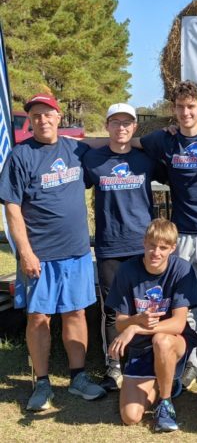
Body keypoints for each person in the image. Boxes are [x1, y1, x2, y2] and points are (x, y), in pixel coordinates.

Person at [0, 93, 106, 411]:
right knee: (38, 317)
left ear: (59, 117)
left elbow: (112, 144)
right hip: (39, 255)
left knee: (75, 312)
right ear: (30, 121)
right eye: (36, 116)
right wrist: (25, 253)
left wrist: (148, 140)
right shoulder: (21, 156)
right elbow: (13, 209)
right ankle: (42, 383)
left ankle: (78, 378)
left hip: (75, 252)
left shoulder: (76, 149)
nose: (43, 120)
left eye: (48, 114)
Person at [132, 80, 197, 387]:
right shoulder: (164, 140)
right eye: (180, 107)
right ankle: (189, 360)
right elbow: (128, 143)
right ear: (173, 111)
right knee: (184, 302)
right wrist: (79, 143)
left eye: (191, 106)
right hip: (182, 233)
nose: (186, 112)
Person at [82, 102, 165, 391]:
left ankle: (147, 359)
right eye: (115, 123)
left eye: (127, 123)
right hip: (109, 246)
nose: (121, 128)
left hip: (143, 246)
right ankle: (114, 365)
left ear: (134, 127)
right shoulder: (93, 160)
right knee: (113, 309)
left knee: (148, 304)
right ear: (107, 127)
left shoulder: (146, 159)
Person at [106, 218, 197, 432]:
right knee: (130, 417)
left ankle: (166, 405)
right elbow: (120, 323)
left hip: (173, 343)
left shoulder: (182, 270)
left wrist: (136, 327)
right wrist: (133, 321)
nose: (156, 252)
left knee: (162, 340)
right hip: (140, 348)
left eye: (163, 247)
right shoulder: (127, 270)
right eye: (151, 245)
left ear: (172, 249)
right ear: (144, 243)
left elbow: (177, 324)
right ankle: (165, 382)